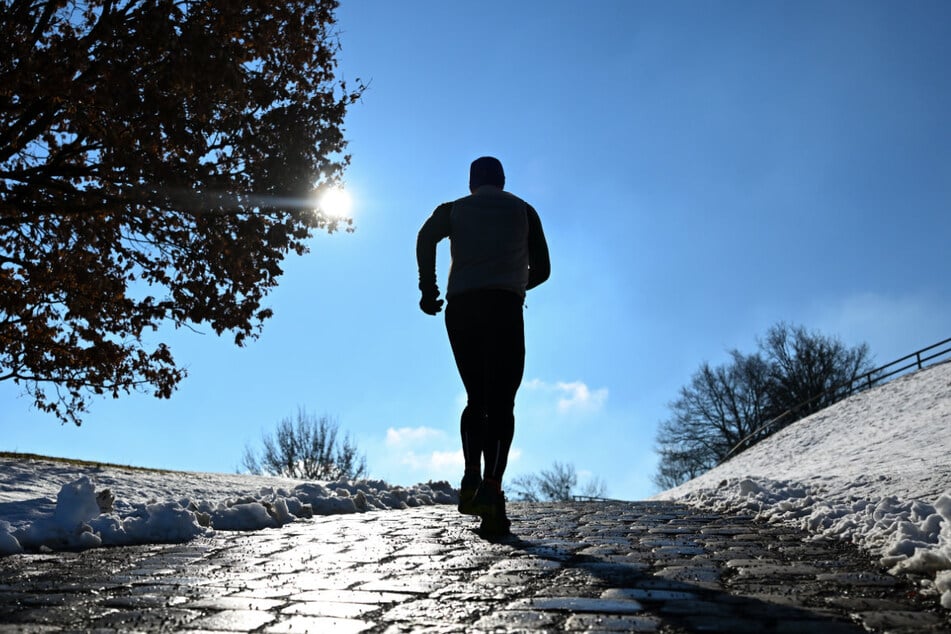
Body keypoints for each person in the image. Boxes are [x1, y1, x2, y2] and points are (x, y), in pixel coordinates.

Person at [416, 156, 550, 535]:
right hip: (504, 307)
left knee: (476, 396)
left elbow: (425, 237)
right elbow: (543, 269)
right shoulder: (524, 211)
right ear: (503, 181)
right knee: (503, 401)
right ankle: (492, 488)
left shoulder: (454, 209)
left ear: (472, 182)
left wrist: (429, 288)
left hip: (461, 309)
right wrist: (513, 283)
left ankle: (469, 479)